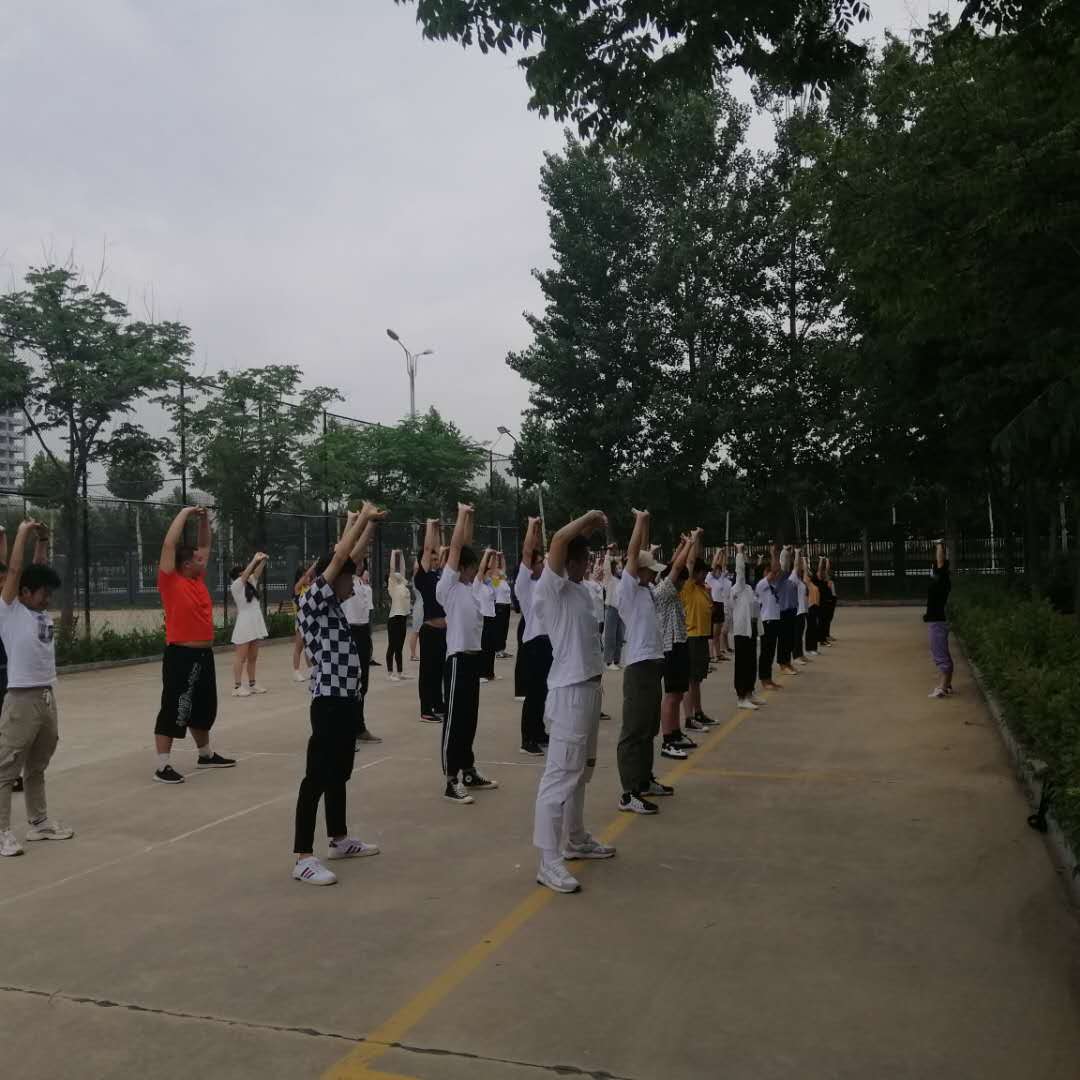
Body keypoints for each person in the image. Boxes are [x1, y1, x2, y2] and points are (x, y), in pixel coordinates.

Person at [292, 503, 385, 886]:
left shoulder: (331, 604)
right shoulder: (313, 600)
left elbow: (352, 557)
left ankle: (339, 839)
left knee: (339, 773)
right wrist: (360, 517)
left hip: (346, 700)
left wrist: (370, 525)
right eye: (349, 578)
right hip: (328, 702)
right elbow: (341, 557)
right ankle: (302, 857)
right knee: (317, 777)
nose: (354, 583)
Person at [531, 510, 616, 894]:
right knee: (560, 776)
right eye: (584, 559)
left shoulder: (582, 591)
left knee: (582, 771)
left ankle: (576, 838)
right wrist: (587, 520)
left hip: (589, 691)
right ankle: (548, 861)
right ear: (572, 561)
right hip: (569, 694)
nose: (588, 565)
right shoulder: (552, 589)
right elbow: (558, 542)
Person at [0, 520, 72, 858]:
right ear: (24, 592)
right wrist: (24, 532)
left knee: (37, 765)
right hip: (21, 698)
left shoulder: (37, 611)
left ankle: (39, 823)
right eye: (42, 592)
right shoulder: (9, 611)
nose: (47, 598)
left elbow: (36, 568)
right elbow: (17, 570)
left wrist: (43, 539)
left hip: (46, 696)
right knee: (6, 767)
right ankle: (2, 832)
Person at [154, 506, 235, 784]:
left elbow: (205, 544)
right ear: (187, 564)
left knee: (204, 706)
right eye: (199, 559)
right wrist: (185, 513)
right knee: (175, 706)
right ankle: (162, 766)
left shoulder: (196, 578)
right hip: (181, 655)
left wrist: (203, 520)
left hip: (203, 654)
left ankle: (205, 755)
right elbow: (169, 545)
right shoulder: (170, 580)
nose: (205, 559)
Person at [436, 503, 499, 802]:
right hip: (458, 660)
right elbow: (457, 548)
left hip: (473, 660)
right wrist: (460, 515)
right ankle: (451, 780)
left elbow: (466, 546)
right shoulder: (447, 588)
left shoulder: (470, 589)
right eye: (472, 567)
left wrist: (471, 516)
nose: (476, 571)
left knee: (469, 719)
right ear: (460, 567)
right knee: (454, 720)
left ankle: (468, 771)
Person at [615, 509, 673, 815]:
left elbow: (642, 552)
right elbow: (634, 553)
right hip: (638, 666)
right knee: (634, 730)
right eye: (650, 571)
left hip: (653, 664)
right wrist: (638, 522)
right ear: (638, 572)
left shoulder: (646, 590)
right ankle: (629, 793)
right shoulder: (627, 590)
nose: (654, 574)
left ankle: (644, 779)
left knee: (649, 727)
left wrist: (647, 523)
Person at [657, 533, 695, 760]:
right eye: (681, 581)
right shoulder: (664, 591)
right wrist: (689, 544)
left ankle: (676, 732)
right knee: (671, 695)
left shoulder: (670, 590)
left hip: (680, 643)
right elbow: (676, 568)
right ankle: (667, 740)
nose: (682, 585)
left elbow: (673, 566)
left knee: (679, 693)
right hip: (670, 647)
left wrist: (681, 545)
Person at [516, 517, 551, 755]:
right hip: (534, 644)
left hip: (547, 643)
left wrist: (538, 530)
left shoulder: (544, 583)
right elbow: (528, 551)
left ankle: (538, 731)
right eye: (540, 563)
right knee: (534, 694)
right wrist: (531, 526)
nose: (543, 566)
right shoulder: (524, 584)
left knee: (543, 692)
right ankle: (527, 739)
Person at [342, 543, 381, 747]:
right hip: (348, 631)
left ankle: (359, 727)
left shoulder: (364, 585)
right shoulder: (343, 581)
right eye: (356, 561)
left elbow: (367, 612)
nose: (359, 565)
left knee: (362, 683)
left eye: (361, 562)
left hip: (363, 632)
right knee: (349, 682)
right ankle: (346, 730)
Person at [680, 538, 716, 732]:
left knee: (697, 680)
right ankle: (689, 717)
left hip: (702, 636)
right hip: (692, 636)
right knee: (690, 679)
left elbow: (710, 610)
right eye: (703, 572)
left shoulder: (703, 589)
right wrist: (694, 541)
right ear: (696, 573)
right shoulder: (688, 586)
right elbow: (691, 562)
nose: (705, 574)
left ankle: (698, 712)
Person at [414, 519, 448, 724]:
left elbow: (434, 549)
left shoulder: (436, 576)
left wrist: (436, 528)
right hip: (429, 631)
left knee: (439, 670)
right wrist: (429, 526)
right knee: (427, 672)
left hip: (442, 632)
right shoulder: (422, 577)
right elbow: (428, 549)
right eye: (432, 559)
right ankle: (426, 710)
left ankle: (437, 703)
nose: (436, 561)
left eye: (437, 559)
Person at [229, 552, 269, 697]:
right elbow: (247, 574)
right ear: (238, 575)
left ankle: (252, 684)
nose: (246, 573)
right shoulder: (236, 586)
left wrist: (263, 560)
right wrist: (254, 559)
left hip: (255, 622)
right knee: (241, 657)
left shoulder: (250, 584)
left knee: (253, 657)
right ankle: (237, 686)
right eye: (242, 572)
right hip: (244, 623)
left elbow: (256, 573)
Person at [730, 544, 761, 710]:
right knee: (742, 664)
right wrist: (740, 553)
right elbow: (740, 571)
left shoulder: (749, 589)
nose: (750, 575)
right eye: (748, 572)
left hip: (752, 629)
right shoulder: (738, 588)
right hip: (742, 631)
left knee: (751, 662)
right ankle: (741, 697)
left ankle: (750, 692)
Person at [926, 540, 953, 698]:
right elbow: (941, 562)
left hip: (938, 620)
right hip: (938, 619)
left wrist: (938, 545)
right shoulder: (942, 579)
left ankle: (942, 687)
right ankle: (947, 684)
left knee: (939, 653)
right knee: (943, 652)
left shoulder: (941, 578)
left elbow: (941, 562)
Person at [755, 545, 783, 691]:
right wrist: (773, 554)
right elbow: (774, 571)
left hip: (775, 620)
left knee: (771, 651)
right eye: (767, 571)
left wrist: (778, 555)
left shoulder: (773, 584)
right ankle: (764, 679)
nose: (771, 574)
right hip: (767, 621)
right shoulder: (762, 585)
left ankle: (769, 679)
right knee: (766, 652)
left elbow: (778, 570)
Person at [385, 549, 412, 681]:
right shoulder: (393, 588)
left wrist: (401, 555)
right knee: (392, 646)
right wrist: (393, 554)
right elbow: (392, 569)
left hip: (403, 619)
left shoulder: (403, 586)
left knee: (399, 647)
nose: (399, 575)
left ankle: (400, 672)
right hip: (394, 619)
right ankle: (390, 673)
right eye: (396, 576)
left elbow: (402, 569)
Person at [775, 545, 800, 678]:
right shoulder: (780, 579)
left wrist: (795, 554)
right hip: (783, 613)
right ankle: (782, 664)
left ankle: (788, 662)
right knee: (784, 640)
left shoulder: (792, 578)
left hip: (792, 612)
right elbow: (783, 566)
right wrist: (785, 551)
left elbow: (795, 566)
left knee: (791, 639)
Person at [292, 562, 316, 682]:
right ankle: (296, 671)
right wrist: (314, 565)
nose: (308, 578)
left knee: (309, 647)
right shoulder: (297, 588)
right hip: (300, 621)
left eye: (308, 576)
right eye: (305, 576)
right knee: (299, 647)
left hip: (310, 621)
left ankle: (311, 670)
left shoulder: (310, 587)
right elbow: (306, 576)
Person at [706, 551, 732, 662]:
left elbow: (722, 565)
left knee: (717, 633)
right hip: (714, 604)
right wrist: (717, 552)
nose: (719, 572)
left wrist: (723, 555)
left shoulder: (719, 580)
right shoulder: (709, 578)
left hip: (720, 605)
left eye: (720, 571)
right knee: (712, 633)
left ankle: (718, 654)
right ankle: (711, 655)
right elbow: (714, 565)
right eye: (717, 570)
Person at [477, 558, 499, 682]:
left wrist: (496, 563)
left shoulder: (490, 585)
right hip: (483, 617)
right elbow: (481, 569)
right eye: (488, 573)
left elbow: (498, 581)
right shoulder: (478, 584)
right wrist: (487, 557)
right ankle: (481, 673)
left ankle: (490, 673)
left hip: (492, 617)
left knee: (491, 647)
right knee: (484, 647)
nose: (490, 574)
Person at [602, 548, 624, 669]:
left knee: (619, 636)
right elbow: (606, 567)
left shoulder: (622, 581)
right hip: (611, 609)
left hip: (620, 610)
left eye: (621, 568)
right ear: (614, 569)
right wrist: (608, 553)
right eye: (618, 568)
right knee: (610, 636)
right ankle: (609, 661)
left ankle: (616, 660)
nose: (620, 570)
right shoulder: (610, 579)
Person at [493, 555, 514, 659]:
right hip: (499, 606)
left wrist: (502, 557)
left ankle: (502, 649)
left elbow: (503, 569)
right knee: (500, 629)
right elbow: (496, 570)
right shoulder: (495, 580)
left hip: (506, 606)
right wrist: (497, 559)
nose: (501, 570)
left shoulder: (503, 580)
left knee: (505, 629)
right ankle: (497, 650)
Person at [407, 555, 423, 662]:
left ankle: (417, 654)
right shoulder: (416, 578)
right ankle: (413, 654)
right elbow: (417, 567)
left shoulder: (420, 577)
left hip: (422, 606)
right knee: (416, 631)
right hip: (420, 607)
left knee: (420, 632)